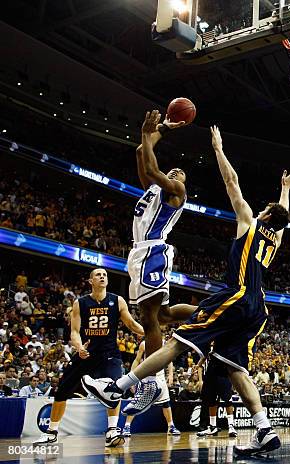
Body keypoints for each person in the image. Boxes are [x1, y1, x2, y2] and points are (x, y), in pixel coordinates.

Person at [83, 126, 290, 456]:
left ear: (267, 215)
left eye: (267, 208)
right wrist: (285, 189)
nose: (260, 208)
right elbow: (282, 216)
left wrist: (218, 149)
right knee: (236, 368)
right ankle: (264, 429)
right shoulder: (275, 239)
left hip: (238, 295)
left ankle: (118, 387)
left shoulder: (250, 222)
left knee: (178, 340)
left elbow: (233, 184)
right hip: (259, 309)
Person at [125, 110, 196, 410]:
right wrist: (162, 127)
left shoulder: (175, 192)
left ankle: (152, 383)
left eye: (181, 172)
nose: (176, 172)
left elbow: (153, 168)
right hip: (139, 252)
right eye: (174, 170)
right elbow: (143, 152)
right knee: (164, 316)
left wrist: (147, 132)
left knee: (149, 318)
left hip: (153, 250)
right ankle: (214, 312)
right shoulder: (153, 190)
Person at [34, 268, 144, 448]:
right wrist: (78, 347)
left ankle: (112, 431)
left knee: (114, 388)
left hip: (109, 353)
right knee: (62, 391)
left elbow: (131, 324)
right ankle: (51, 432)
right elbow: (75, 332)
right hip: (86, 353)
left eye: (105, 275)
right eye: (98, 275)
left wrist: (150, 332)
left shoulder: (117, 301)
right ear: (90, 281)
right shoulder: (81, 303)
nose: (102, 277)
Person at [122, 340, 180, 437]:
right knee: (137, 403)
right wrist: (131, 378)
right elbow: (137, 360)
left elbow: (169, 360)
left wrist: (170, 375)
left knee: (166, 403)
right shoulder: (144, 344)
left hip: (160, 375)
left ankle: (171, 426)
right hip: (146, 374)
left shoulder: (164, 342)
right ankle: (126, 427)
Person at [197, 356, 238, 438]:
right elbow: (201, 361)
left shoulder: (223, 348)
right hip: (210, 376)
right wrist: (200, 379)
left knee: (227, 400)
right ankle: (213, 427)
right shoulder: (208, 348)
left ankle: (231, 426)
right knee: (212, 402)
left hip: (223, 375)